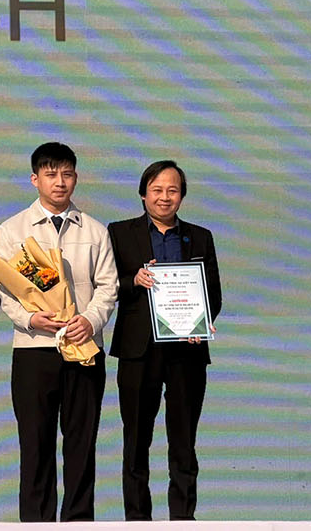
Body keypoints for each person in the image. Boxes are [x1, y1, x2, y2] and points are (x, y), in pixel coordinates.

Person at [0, 142, 118, 522]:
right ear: (35, 179)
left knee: (82, 443)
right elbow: (4, 289)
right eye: (50, 174)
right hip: (34, 350)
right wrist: (30, 319)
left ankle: (79, 523)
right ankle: (36, 524)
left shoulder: (95, 230)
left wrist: (90, 320)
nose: (59, 182)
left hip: (84, 349)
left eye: (66, 174)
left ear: (75, 178)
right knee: (35, 444)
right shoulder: (12, 229)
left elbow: (108, 286)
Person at [108, 160, 222, 521]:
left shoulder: (200, 237)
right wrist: (133, 281)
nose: (164, 197)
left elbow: (213, 293)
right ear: (143, 194)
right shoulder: (119, 233)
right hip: (138, 351)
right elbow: (107, 285)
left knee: (184, 442)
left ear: (182, 196)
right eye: (157, 190)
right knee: (136, 441)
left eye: (172, 190)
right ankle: (137, 520)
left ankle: (183, 520)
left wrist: (201, 322)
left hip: (187, 352)